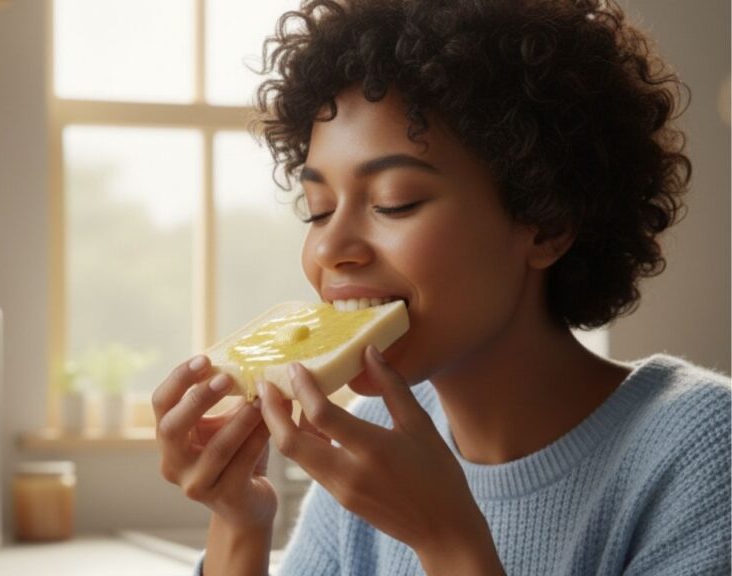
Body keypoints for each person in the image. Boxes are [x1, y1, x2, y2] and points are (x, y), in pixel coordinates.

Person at [152, 0, 731, 574]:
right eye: (318, 209)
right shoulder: (372, 437)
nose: (329, 249)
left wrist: (447, 541)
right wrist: (238, 522)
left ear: (547, 223)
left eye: (393, 202)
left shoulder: (703, 450)